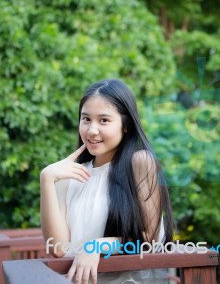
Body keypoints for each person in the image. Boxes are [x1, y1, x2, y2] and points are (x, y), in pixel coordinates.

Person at [40, 78, 174, 284]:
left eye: (103, 120)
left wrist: (96, 246)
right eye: (86, 119)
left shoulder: (140, 163)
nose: (92, 130)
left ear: (126, 125)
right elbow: (58, 249)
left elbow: (149, 238)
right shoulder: (69, 175)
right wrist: (47, 180)